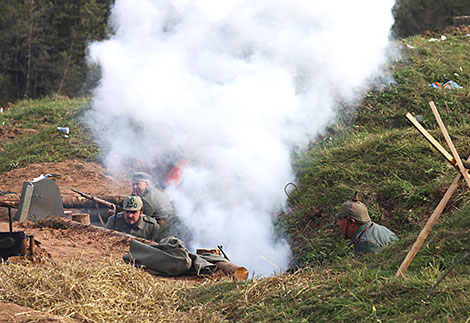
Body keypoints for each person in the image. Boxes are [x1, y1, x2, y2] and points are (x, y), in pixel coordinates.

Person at [335, 193, 398, 258]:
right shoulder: (382, 230)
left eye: (340, 219)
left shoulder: (366, 243)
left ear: (352, 222)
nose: (337, 224)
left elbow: (374, 267)